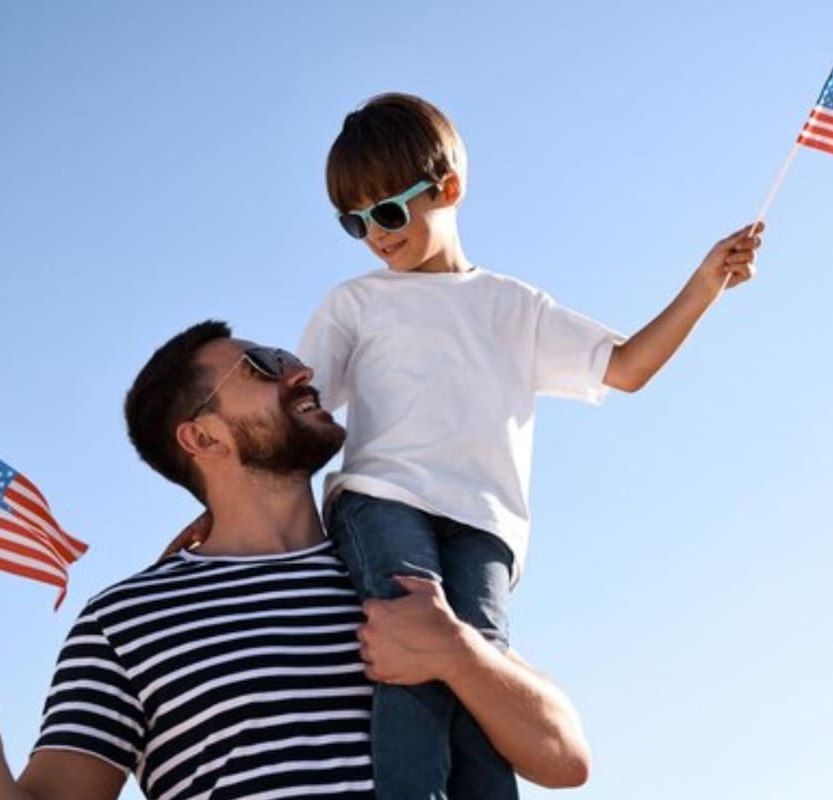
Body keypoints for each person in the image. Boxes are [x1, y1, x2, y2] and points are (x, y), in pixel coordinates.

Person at [0, 320, 591, 800]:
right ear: (203, 438)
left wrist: (460, 656)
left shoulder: (393, 564)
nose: (301, 370)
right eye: (265, 367)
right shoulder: (124, 623)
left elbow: (564, 757)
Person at [296, 92, 764, 799]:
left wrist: (705, 285)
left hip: (484, 524)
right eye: (354, 222)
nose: (375, 236)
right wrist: (222, 511)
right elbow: (297, 415)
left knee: (482, 672)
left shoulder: (514, 307)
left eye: (387, 212)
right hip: (383, 501)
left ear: (448, 189)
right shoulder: (354, 304)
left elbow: (627, 367)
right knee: (412, 643)